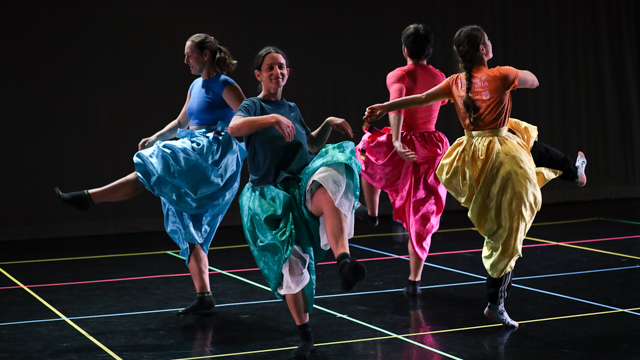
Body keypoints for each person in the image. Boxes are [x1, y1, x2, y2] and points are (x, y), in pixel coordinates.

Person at [364, 25, 587, 329]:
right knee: (509, 228)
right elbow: (533, 81)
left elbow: (420, 99)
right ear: (483, 49)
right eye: (488, 41)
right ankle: (495, 302)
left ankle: (574, 173)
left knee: (529, 142)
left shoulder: (454, 82)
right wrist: (506, 78)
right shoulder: (502, 75)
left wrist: (384, 107)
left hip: (474, 155)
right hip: (501, 154)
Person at [55, 34, 247, 315]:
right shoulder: (195, 86)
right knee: (185, 223)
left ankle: (89, 197)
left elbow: (247, 115)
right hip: (191, 154)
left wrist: (227, 133)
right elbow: (182, 121)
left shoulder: (225, 85)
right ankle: (204, 295)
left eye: (190, 55)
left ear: (205, 55)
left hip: (209, 157)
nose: (185, 60)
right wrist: (156, 136)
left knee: (155, 162)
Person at [228, 46, 366, 359]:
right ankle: (304, 333)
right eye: (271, 67)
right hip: (269, 197)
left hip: (299, 182)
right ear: (259, 75)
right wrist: (270, 118)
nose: (277, 72)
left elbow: (311, 143)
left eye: (282, 67)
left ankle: (344, 261)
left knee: (330, 185)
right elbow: (234, 129)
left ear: (287, 73)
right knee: (290, 266)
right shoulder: (253, 106)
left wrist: (329, 122)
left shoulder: (292, 107)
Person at [354, 24, 450, 297]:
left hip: (407, 142)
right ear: (428, 51)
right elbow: (437, 102)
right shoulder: (440, 76)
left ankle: (372, 214)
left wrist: (396, 140)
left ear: (405, 50)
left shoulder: (399, 74)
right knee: (421, 212)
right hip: (431, 146)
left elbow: (397, 103)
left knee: (365, 149)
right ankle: (414, 281)